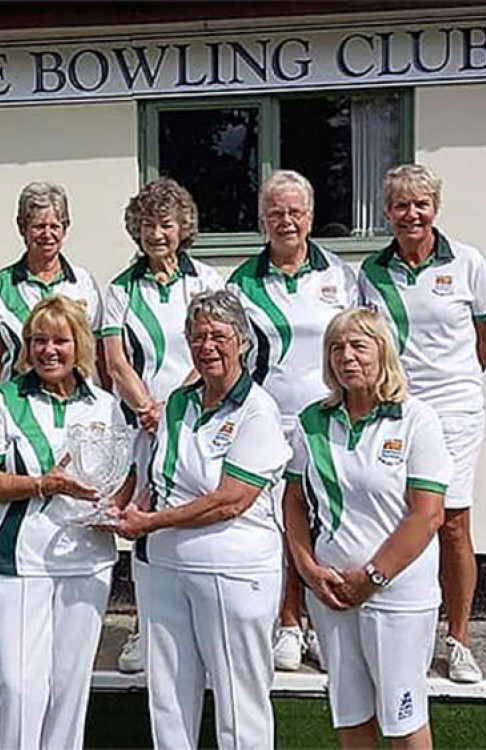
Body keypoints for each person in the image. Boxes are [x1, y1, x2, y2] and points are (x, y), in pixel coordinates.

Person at [116, 290, 291, 750]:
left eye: (218, 336)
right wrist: (120, 508)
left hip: (233, 572)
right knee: (169, 699)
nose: (206, 346)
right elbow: (155, 478)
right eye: (197, 337)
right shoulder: (176, 403)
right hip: (162, 569)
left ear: (243, 342)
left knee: (239, 704)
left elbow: (229, 501)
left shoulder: (259, 410)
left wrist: (150, 523)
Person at [0, 295, 129, 750]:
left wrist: (117, 506)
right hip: (18, 561)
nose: (48, 350)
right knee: (18, 688)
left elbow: (122, 474)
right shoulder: (3, 402)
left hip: (88, 559)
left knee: (70, 689)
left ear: (80, 345)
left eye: (60, 340)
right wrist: (41, 484)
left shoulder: (104, 404)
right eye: (38, 340)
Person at [359, 164, 486, 684]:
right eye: (400, 205)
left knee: (452, 522)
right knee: (402, 516)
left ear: (435, 209)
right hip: (398, 413)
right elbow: (370, 345)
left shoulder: (468, 262)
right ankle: (406, 627)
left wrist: (454, 386)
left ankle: (459, 638)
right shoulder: (371, 273)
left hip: (456, 412)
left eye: (420, 204)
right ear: (387, 213)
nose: (411, 214)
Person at [283, 308, 451, 748]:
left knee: (403, 716)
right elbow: (295, 502)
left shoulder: (417, 420)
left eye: (359, 345)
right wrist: (307, 568)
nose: (346, 357)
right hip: (332, 593)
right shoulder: (311, 421)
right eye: (336, 348)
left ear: (383, 352)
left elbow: (428, 514)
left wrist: (372, 577)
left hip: (397, 596)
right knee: (350, 712)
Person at [228, 169, 358, 671]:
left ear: (310, 217)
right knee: (281, 524)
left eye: (295, 212)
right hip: (267, 421)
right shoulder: (242, 281)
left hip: (329, 421)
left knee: (327, 519)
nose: (286, 221)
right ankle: (287, 621)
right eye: (276, 213)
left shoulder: (342, 276)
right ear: (263, 221)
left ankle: (323, 621)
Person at [100, 177, 224, 674]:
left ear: (183, 228)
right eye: (148, 224)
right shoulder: (119, 289)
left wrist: (173, 405)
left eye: (166, 224)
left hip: (197, 416)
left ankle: (198, 618)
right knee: (141, 517)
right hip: (140, 422)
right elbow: (113, 358)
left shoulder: (209, 282)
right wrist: (148, 407)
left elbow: (220, 346)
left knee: (192, 506)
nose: (157, 234)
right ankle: (143, 625)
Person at [0, 181, 103, 400]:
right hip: (17, 405)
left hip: (76, 405)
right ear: (22, 228)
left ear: (65, 229)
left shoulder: (84, 283)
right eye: (38, 227)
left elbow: (99, 357)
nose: (47, 234)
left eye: (55, 226)